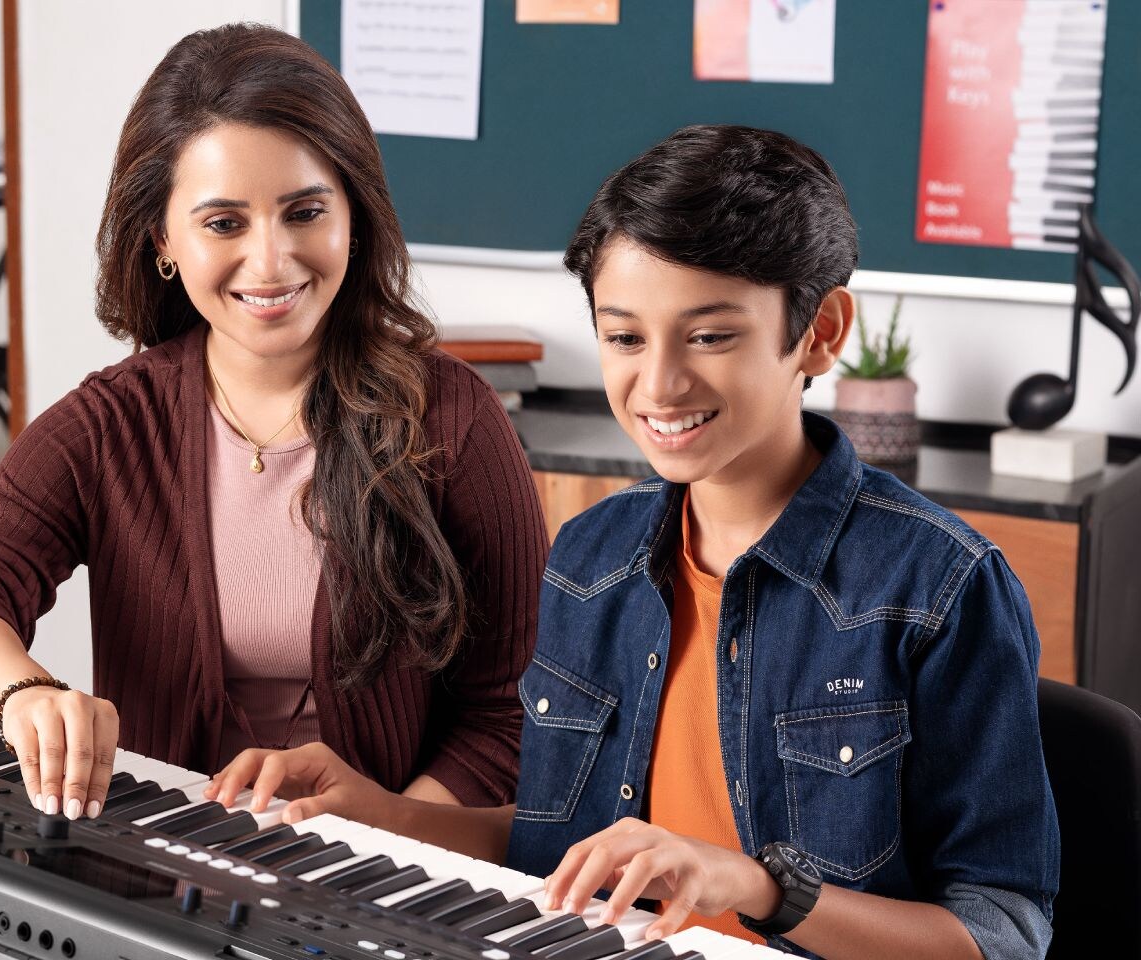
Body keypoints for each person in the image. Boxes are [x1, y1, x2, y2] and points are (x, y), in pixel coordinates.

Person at [213, 125, 1058, 958]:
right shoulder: (591, 558)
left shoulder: (940, 586)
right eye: (624, 337)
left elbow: (1002, 935)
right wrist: (390, 815)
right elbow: (557, 848)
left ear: (821, 332)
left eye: (710, 336)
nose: (658, 383)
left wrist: (757, 887)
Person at [0, 22, 546, 825]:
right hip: (158, 873)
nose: (272, 261)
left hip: (390, 880)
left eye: (305, 211)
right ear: (163, 240)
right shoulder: (111, 423)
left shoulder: (454, 419)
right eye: (224, 223)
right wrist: (25, 694)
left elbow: (513, 711)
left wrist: (383, 836)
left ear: (354, 212)